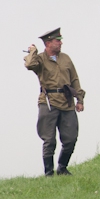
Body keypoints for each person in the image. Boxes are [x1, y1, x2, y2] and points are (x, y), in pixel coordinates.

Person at [24, 28, 85, 176]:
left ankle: (62, 167)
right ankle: (49, 173)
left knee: (70, 138)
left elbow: (74, 79)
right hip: (48, 102)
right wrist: (32, 51)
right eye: (58, 40)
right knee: (49, 140)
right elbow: (29, 65)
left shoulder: (66, 58)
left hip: (67, 101)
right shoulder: (39, 59)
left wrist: (80, 99)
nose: (60, 43)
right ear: (49, 43)